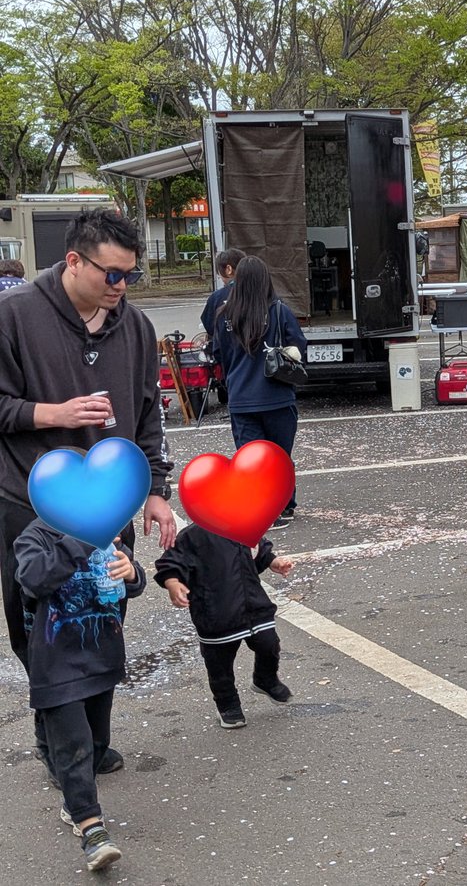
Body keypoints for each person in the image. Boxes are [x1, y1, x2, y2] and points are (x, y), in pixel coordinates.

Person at [0, 209, 175, 780]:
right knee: (39, 629)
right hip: (29, 505)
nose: (121, 286)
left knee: (103, 618)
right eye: (112, 274)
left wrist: (156, 489)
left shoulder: (136, 326)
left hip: (108, 504)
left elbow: (148, 415)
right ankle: (59, 739)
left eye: (131, 275)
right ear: (73, 261)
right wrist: (52, 414)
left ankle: (92, 740)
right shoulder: (15, 314)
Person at [15, 519, 145, 871]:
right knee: (74, 747)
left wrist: (131, 573)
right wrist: (82, 540)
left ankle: (74, 803)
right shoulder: (35, 536)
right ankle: (92, 829)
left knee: (97, 742)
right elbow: (34, 580)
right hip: (56, 666)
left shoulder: (107, 532)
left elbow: (131, 581)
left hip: (102, 659)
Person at [155, 524, 295, 729]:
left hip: (254, 605)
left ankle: (265, 679)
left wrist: (274, 561)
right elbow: (170, 563)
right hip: (215, 612)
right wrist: (173, 583)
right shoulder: (193, 535)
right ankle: (227, 703)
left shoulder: (243, 525)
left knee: (269, 644)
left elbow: (259, 550)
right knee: (219, 664)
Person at [210, 255, 306, 529]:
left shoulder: (224, 315)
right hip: (277, 396)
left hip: (241, 398)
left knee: (252, 460)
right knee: (280, 456)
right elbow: (299, 346)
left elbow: (219, 354)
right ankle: (285, 505)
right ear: (266, 280)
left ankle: (265, 508)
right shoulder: (279, 311)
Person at [200, 247, 246, 338]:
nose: (220, 278)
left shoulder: (217, 297)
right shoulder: (262, 292)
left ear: (229, 269)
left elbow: (209, 327)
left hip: (226, 346)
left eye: (219, 273)